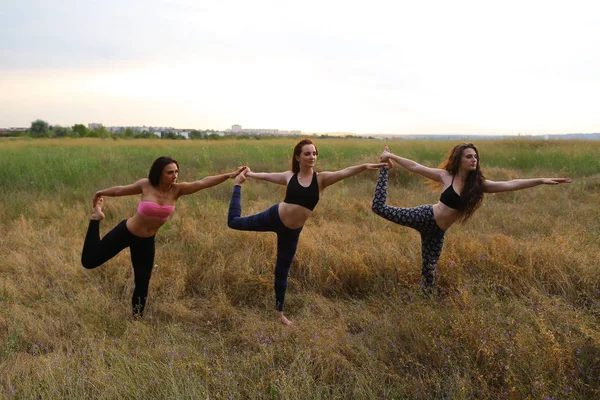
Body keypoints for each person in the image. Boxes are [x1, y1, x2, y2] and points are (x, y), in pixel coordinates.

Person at [227, 139, 387, 326]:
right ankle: (237, 186)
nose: (312, 157)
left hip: (292, 232)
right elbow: (267, 176)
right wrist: (250, 174)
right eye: (307, 153)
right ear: (298, 157)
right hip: (274, 217)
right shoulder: (289, 176)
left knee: (282, 271)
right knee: (234, 222)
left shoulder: (321, 180)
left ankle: (279, 315)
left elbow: (344, 172)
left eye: (314, 153)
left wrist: (365, 166)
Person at [372, 143, 571, 290]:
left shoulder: (479, 186)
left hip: (438, 232)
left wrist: (541, 180)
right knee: (379, 208)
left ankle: (426, 305)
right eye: (469, 156)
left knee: (429, 274)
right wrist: (391, 156)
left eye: (475, 157)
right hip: (425, 216)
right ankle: (384, 169)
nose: (473, 159)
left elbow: (511, 184)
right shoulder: (445, 176)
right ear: (459, 160)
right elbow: (416, 167)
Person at [81, 156, 246, 318]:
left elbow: (202, 182)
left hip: (146, 241)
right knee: (89, 261)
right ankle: (96, 218)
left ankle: (136, 318)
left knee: (142, 281)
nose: (174, 175)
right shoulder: (146, 185)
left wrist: (229, 175)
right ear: (159, 173)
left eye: (176, 172)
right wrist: (100, 192)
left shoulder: (177, 190)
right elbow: (120, 190)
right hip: (126, 232)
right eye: (170, 172)